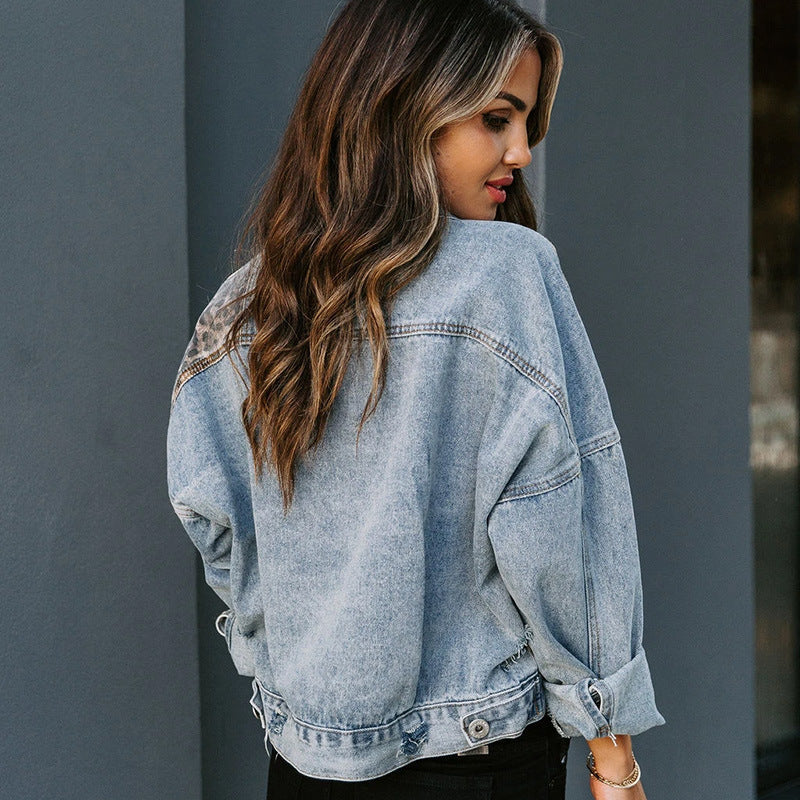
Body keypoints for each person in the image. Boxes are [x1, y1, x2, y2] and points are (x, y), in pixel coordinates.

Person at [166, 0, 666, 797]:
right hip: (480, 759)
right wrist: (615, 761)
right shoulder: (509, 273)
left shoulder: (249, 305)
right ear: (403, 107)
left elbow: (215, 523)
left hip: (302, 767)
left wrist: (298, 668)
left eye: (525, 122)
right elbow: (562, 536)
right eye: (496, 118)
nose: (522, 150)